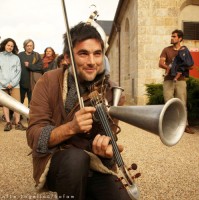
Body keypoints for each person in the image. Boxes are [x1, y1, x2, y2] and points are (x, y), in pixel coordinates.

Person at [27, 22, 131, 200]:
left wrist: (106, 153)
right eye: (83, 53)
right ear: (67, 58)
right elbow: (34, 137)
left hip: (94, 164)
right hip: (56, 162)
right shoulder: (47, 81)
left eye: (97, 54)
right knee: (75, 161)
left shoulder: (112, 91)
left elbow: (109, 138)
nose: (92, 62)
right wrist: (71, 128)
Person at [159, 29, 194, 134]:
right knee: (168, 103)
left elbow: (191, 65)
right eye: (172, 36)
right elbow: (160, 63)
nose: (172, 38)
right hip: (168, 80)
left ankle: (185, 125)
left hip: (181, 80)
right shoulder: (166, 50)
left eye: (174, 36)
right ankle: (170, 125)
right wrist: (169, 68)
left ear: (180, 38)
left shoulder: (185, 51)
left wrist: (181, 68)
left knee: (182, 103)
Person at [0, 38, 27, 131]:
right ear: (4, 45)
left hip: (15, 85)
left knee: (16, 103)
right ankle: (8, 123)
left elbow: (18, 71)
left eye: (12, 46)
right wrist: (4, 83)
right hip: (2, 84)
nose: (10, 47)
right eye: (8, 45)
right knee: (5, 104)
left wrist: (12, 83)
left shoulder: (16, 58)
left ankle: (17, 123)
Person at [18, 39, 43, 107]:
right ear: (25, 47)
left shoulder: (36, 55)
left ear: (33, 46)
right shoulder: (20, 55)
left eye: (30, 46)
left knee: (32, 102)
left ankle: (30, 116)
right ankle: (18, 115)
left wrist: (30, 65)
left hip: (32, 84)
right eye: (27, 46)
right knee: (19, 101)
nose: (29, 47)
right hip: (21, 83)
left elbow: (40, 67)